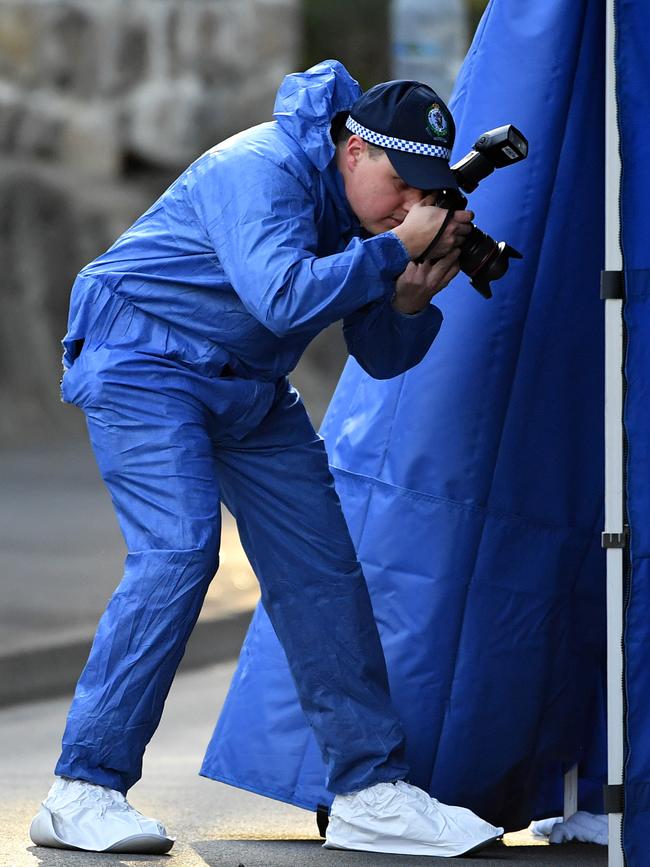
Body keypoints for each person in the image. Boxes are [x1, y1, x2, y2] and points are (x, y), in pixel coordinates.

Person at [29, 59, 503, 858]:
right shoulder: (257, 167)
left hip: (247, 384)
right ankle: (82, 788)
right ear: (354, 150)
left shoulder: (372, 219)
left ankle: (369, 790)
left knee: (323, 569)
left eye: (427, 189)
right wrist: (393, 256)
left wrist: (412, 298)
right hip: (142, 357)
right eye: (403, 182)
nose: (414, 204)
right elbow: (283, 296)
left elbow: (380, 354)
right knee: (180, 552)